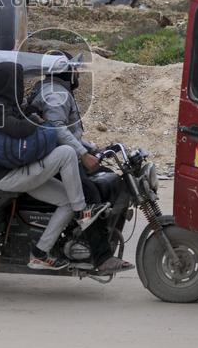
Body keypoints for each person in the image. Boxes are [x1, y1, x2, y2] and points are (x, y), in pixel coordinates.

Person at [0, 62, 106, 271]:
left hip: (24, 170)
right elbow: (19, 129)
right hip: (9, 177)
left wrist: (33, 115)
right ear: (8, 82)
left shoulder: (11, 104)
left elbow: (31, 117)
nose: (20, 85)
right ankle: (82, 212)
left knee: (66, 201)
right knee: (66, 153)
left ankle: (39, 253)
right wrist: (34, 119)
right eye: (17, 81)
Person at [28, 53, 133, 274]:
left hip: (62, 156)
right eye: (74, 69)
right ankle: (101, 257)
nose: (77, 74)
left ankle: (93, 237)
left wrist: (91, 148)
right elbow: (56, 128)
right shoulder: (55, 93)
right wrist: (83, 154)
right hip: (55, 162)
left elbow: (67, 130)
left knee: (111, 181)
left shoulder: (52, 88)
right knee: (91, 194)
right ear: (64, 71)